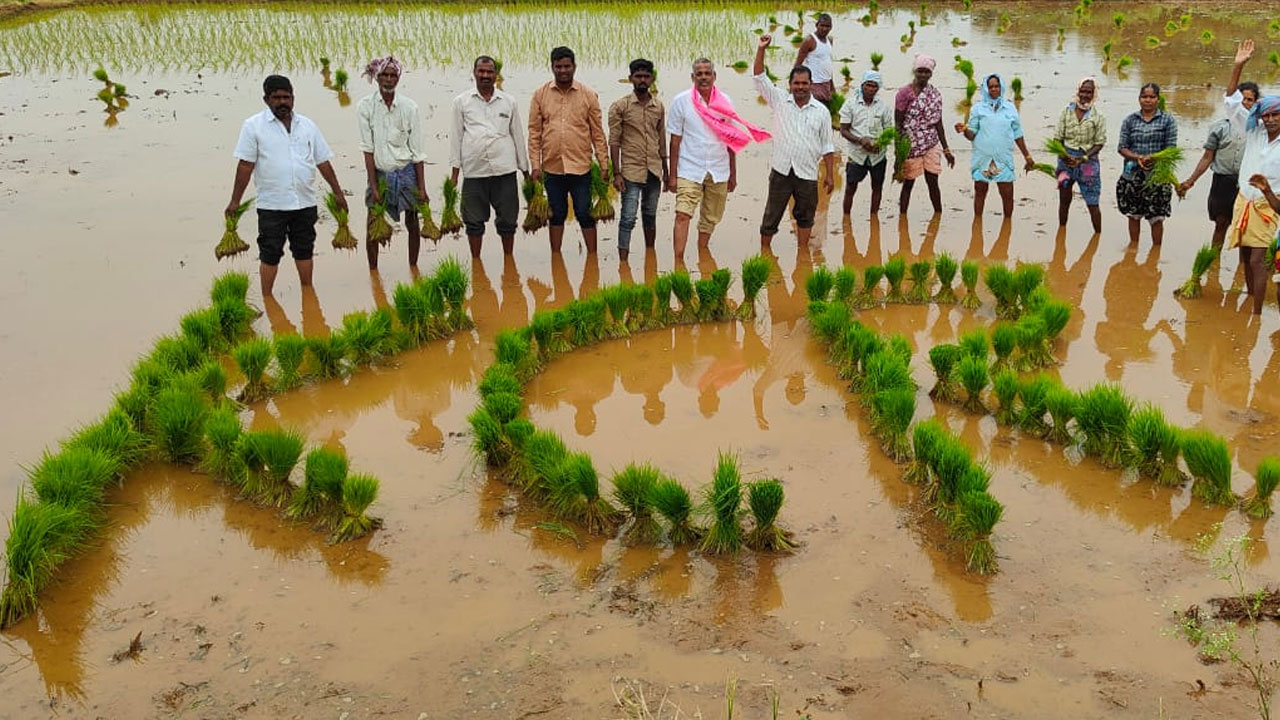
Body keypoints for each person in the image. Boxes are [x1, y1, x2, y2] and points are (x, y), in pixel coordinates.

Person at [227, 75, 347, 298]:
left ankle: (308, 293)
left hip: (304, 201)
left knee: (305, 250)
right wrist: (235, 201)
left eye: (286, 97)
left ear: (293, 98)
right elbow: (245, 165)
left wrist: (338, 193)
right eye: (276, 98)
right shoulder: (253, 126)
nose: (282, 102)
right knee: (270, 252)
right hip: (272, 204)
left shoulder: (307, 125)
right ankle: (267, 297)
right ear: (266, 99)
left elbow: (323, 161)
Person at [667, 57, 768, 263]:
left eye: (707, 73)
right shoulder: (681, 101)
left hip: (718, 168)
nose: (703, 77)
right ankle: (679, 263)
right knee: (682, 214)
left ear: (714, 76)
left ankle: (702, 255)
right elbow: (674, 141)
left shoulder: (725, 102)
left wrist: (733, 173)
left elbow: (730, 139)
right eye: (699, 74)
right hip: (689, 168)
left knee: (710, 219)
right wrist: (672, 175)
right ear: (692, 77)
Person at [753, 34, 836, 248]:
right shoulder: (780, 101)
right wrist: (762, 49)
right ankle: (765, 252)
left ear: (811, 85)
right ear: (789, 85)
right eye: (796, 83)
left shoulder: (821, 112)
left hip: (807, 172)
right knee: (771, 216)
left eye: (804, 83)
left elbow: (827, 145)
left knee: (806, 216)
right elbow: (760, 78)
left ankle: (802, 253)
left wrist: (829, 174)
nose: (800, 87)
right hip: (781, 171)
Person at [528, 46, 609, 254]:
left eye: (567, 66)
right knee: (557, 214)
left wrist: (603, 163)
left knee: (584, 213)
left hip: (581, 167)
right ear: (552, 67)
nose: (563, 71)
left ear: (574, 67)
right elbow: (534, 133)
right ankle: (556, 256)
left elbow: (598, 133)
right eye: (559, 67)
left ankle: (592, 257)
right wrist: (535, 166)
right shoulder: (540, 95)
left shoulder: (588, 95)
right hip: (552, 167)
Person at [451, 55, 530, 258]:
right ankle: (476, 261)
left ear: (496, 75)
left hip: (504, 169)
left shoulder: (508, 101)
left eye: (489, 72)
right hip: (474, 171)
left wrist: (525, 171)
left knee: (508, 221)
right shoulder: (461, 102)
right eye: (481, 71)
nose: (485, 75)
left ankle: (508, 260)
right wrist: (454, 174)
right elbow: (456, 138)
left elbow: (518, 136)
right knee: (473, 221)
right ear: (474, 73)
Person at [1222, 39, 1280, 315]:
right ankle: (1250, 299)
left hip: (1269, 206)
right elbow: (1232, 102)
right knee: (1245, 256)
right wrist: (1238, 66)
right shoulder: (1253, 132)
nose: (1269, 120)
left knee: (1258, 259)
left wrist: (1268, 190)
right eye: (1266, 115)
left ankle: (1256, 313)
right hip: (1244, 200)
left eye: (1275, 115)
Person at [357, 56, 428, 271]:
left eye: (393, 75)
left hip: (406, 172)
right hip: (380, 172)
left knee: (413, 222)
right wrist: (375, 186)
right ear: (377, 78)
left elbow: (417, 152)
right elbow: (367, 149)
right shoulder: (366, 107)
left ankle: (413, 267)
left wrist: (422, 189)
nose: (389, 79)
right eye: (384, 75)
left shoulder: (409, 107)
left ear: (398, 78)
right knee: (373, 222)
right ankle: (373, 271)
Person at [607, 58, 668, 262]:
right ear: (631, 78)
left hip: (653, 170)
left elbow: (661, 139)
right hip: (631, 171)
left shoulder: (658, 107)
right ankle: (623, 262)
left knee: (650, 215)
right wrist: (617, 174)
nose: (642, 80)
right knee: (628, 217)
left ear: (652, 79)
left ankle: (650, 257)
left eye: (646, 76)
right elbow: (614, 141)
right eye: (638, 76)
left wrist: (666, 172)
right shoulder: (620, 106)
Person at [953, 73, 1036, 219]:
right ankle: (977, 225)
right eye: (990, 86)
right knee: (980, 192)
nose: (994, 89)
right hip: (982, 158)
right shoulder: (978, 109)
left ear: (1001, 87)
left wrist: (1027, 156)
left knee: (1007, 193)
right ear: (986, 89)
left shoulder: (1010, 108)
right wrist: (964, 130)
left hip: (1003, 158)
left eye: (996, 86)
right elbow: (972, 135)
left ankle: (1007, 223)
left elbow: (1018, 134)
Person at [1116, 83, 1177, 245]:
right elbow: (1122, 147)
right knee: (1133, 214)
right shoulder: (1130, 120)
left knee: (1156, 218)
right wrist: (1138, 158)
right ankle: (1133, 248)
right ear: (1139, 99)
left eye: (1151, 97)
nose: (1148, 100)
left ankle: (1155, 252)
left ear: (1158, 99)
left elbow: (1171, 149)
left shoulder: (1167, 120)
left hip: (1158, 176)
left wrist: (1152, 158)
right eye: (1144, 97)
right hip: (1132, 175)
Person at [895, 54, 954, 215]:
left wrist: (946, 149)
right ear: (915, 71)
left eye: (926, 72)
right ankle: (903, 219)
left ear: (931, 74)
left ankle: (938, 215)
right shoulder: (904, 93)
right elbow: (898, 124)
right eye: (920, 71)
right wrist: (898, 153)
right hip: (910, 143)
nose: (923, 75)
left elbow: (938, 123)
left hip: (931, 142)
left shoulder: (934, 95)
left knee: (932, 180)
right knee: (908, 182)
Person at [1052, 77, 1106, 233]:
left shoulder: (1098, 116)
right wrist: (1064, 156)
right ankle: (1061, 234)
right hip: (1065, 162)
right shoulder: (1066, 112)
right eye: (1082, 91)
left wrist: (1083, 158)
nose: (1085, 95)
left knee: (1092, 201)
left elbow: (1099, 143)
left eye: (1089, 92)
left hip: (1088, 163)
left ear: (1094, 94)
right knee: (1064, 199)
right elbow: (1057, 138)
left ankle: (1097, 235)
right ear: (1078, 91)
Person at [839, 70, 894, 216]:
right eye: (868, 85)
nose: (871, 89)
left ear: (878, 88)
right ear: (862, 85)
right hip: (857, 155)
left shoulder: (883, 107)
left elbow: (889, 130)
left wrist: (880, 143)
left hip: (878, 156)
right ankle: (846, 219)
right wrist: (860, 140)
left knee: (877, 187)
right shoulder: (850, 105)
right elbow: (844, 130)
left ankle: (874, 217)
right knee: (850, 188)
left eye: (874, 86)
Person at [794, 13, 834, 104]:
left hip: (826, 83)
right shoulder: (809, 40)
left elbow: (828, 64)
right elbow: (798, 64)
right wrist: (794, 86)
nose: (824, 29)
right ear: (817, 25)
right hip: (814, 84)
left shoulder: (830, 40)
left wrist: (832, 87)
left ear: (831, 27)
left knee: (825, 112)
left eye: (827, 26)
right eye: (822, 25)